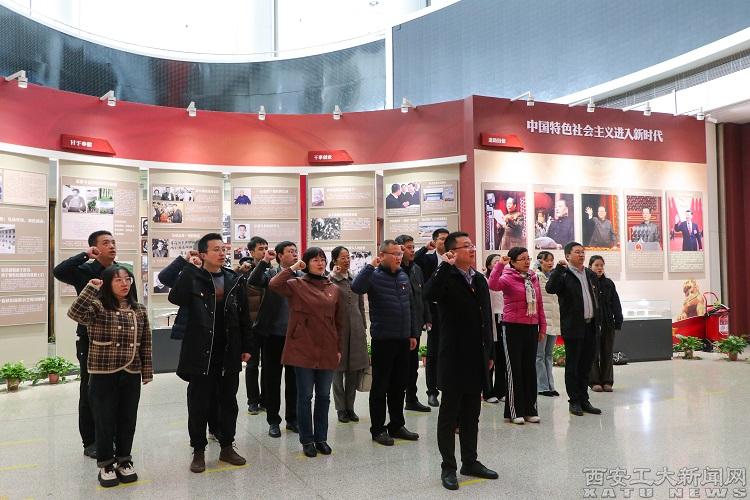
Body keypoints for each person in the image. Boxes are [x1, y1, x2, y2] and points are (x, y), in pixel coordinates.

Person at [167, 233, 251, 473]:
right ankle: (198, 450)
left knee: (228, 402)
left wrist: (247, 346)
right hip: (200, 351)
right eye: (216, 249)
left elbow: (244, 316)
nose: (222, 253)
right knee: (199, 403)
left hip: (228, 350)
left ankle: (227, 446)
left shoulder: (234, 279)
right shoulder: (193, 277)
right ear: (203, 254)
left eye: (223, 249)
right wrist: (188, 268)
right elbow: (175, 297)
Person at [424, 231, 498, 490]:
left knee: (472, 413)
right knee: (449, 414)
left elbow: (486, 317)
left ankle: (470, 461)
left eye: (472, 245)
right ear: (452, 252)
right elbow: (429, 293)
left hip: (477, 356)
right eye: (466, 246)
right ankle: (448, 467)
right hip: (453, 356)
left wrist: (490, 352)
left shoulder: (479, 279)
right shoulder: (446, 276)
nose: (472, 249)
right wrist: (445, 265)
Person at [67, 265, 152, 488]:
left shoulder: (139, 309)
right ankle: (106, 464)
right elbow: (74, 313)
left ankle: (124, 460)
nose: (124, 284)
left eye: (127, 279)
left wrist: (147, 371)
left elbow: (145, 342)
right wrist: (89, 289)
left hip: (131, 371)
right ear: (107, 283)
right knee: (104, 419)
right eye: (118, 280)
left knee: (127, 419)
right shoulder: (98, 306)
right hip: (103, 371)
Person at [269, 247, 343, 458]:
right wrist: (293, 267)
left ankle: (321, 438)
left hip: (327, 348)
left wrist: (338, 348)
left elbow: (339, 323)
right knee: (305, 397)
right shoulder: (296, 284)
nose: (320, 263)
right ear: (306, 263)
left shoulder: (333, 288)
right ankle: (307, 440)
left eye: (322, 260)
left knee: (324, 396)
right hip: (303, 349)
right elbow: (274, 284)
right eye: (315, 260)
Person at [53, 230, 119, 459]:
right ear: (95, 247)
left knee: (114, 390)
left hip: (116, 339)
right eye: (106, 243)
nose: (112, 246)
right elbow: (59, 271)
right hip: (90, 338)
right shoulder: (84, 271)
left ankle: (111, 436)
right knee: (90, 389)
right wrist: (84, 255)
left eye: (113, 242)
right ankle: (90, 440)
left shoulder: (120, 272)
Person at [352, 240, 419, 446]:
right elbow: (357, 287)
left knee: (399, 386)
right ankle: (378, 429)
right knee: (380, 387)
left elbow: (410, 306)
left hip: (403, 340)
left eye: (400, 253)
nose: (399, 257)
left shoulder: (403, 275)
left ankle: (397, 425)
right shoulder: (373, 275)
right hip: (383, 340)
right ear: (382, 256)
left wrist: (412, 334)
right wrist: (370, 266)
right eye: (395, 254)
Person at [247, 241, 300, 438]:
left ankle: (292, 419)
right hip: (272, 335)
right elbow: (253, 281)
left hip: (294, 337)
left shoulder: (300, 276)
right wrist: (264, 261)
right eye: (290, 251)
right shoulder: (270, 273)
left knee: (293, 380)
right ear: (279, 256)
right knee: (272, 380)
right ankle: (273, 421)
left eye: (295, 251)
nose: (294, 254)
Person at [488, 247, 546, 425]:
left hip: (532, 326)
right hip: (512, 327)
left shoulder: (533, 277)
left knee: (529, 369)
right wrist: (499, 265)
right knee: (514, 370)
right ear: (513, 262)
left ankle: (530, 410)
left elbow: (539, 303)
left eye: (528, 258)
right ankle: (515, 411)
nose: (527, 261)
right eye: (522, 259)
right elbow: (492, 284)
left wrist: (542, 327)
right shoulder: (507, 277)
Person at [545, 242, 602, 417]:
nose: (581, 255)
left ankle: (584, 399)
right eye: (577, 252)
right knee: (573, 366)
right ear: (568, 256)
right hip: (573, 327)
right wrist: (557, 270)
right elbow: (550, 288)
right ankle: (574, 401)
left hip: (590, 326)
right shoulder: (563, 274)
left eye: (583, 252)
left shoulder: (590, 274)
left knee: (586, 365)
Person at [329, 246, 369, 423]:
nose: (346, 260)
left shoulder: (354, 278)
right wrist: (332, 275)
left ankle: (350, 407)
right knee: (338, 372)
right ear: (335, 260)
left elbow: (360, 304)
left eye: (348, 257)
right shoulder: (330, 279)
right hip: (338, 331)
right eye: (343, 257)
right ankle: (340, 409)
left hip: (356, 329)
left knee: (354, 370)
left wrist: (363, 326)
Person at [395, 234, 432, 413]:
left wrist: (427, 318)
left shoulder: (416, 269)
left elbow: (423, 296)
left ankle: (411, 399)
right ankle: (396, 402)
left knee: (412, 367)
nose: (412, 251)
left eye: (413, 247)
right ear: (400, 249)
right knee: (400, 368)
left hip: (415, 325)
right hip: (400, 328)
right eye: (408, 248)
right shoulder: (396, 270)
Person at [414, 227, 449, 407]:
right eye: (441, 239)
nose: (445, 242)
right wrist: (424, 248)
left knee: (449, 351)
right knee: (433, 352)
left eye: (447, 239)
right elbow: (413, 260)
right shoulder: (428, 259)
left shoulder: (454, 259)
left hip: (449, 310)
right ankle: (432, 391)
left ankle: (448, 389)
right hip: (433, 311)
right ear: (435, 241)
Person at [235, 236, 268, 415]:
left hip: (269, 325)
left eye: (266, 248)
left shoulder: (271, 270)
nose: (264, 252)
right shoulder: (244, 271)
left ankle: (266, 400)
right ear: (252, 251)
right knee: (253, 365)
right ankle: (253, 401)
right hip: (252, 326)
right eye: (261, 249)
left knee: (269, 366)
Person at [588, 256, 623, 393]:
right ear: (590, 266)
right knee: (593, 353)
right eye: (596, 265)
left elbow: (616, 303)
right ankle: (594, 381)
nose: (599, 268)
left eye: (601, 265)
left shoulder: (609, 283)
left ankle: (607, 381)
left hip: (607, 322)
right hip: (592, 323)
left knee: (607, 352)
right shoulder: (587, 283)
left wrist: (618, 320)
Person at [535, 251, 560, 397]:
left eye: (552, 260)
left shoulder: (555, 277)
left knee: (549, 355)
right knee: (539, 355)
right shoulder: (536, 276)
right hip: (542, 322)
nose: (550, 263)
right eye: (547, 260)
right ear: (540, 261)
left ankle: (551, 385)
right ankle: (542, 386)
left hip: (554, 321)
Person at [483, 254, 505, 403]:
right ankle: (487, 392)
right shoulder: (485, 280)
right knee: (491, 356)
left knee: (502, 358)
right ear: (489, 265)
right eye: (496, 262)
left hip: (504, 319)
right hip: (491, 320)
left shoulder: (505, 279)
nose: (500, 263)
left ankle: (500, 390)